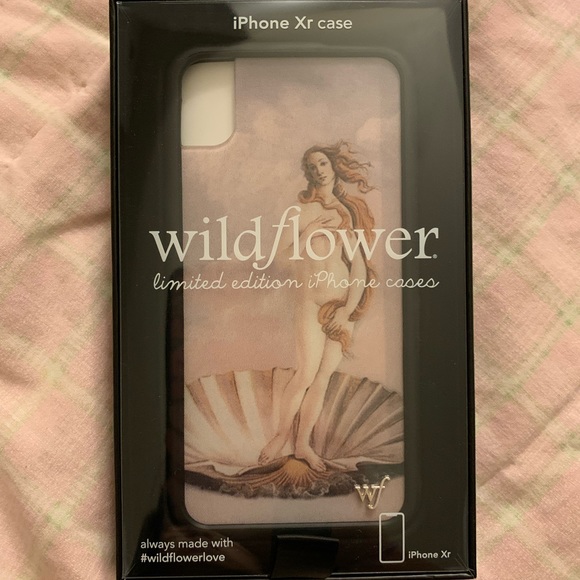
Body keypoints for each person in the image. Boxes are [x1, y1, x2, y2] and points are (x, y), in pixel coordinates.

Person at [259, 141, 377, 472]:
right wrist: (308, 232)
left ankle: (302, 445)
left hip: (342, 304)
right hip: (310, 302)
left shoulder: (347, 211)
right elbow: (281, 259)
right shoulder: (299, 212)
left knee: (323, 376)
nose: (318, 170)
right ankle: (281, 436)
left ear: (333, 166)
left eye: (323, 163)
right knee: (306, 373)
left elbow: (358, 266)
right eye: (312, 166)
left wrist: (348, 310)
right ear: (307, 174)